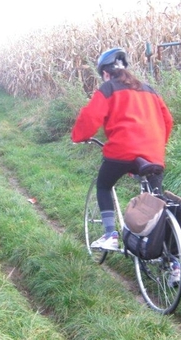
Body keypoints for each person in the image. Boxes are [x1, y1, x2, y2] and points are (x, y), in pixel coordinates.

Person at [71, 47, 173, 250]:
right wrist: (157, 146)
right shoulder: (149, 90)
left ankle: (110, 235)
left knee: (103, 186)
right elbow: (167, 121)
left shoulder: (108, 89)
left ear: (106, 73)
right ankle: (169, 257)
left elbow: (90, 117)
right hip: (153, 154)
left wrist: (78, 137)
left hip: (122, 152)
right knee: (156, 201)